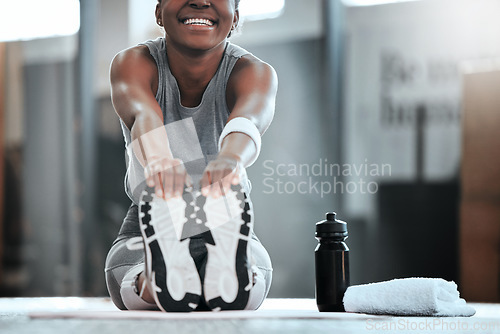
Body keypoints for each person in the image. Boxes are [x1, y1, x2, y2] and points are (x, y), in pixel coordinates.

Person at [104, 0, 278, 312]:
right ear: (158, 12)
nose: (200, 1)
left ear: (235, 18)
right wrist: (158, 160)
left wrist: (231, 159)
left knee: (125, 280)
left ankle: (157, 281)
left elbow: (249, 119)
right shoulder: (133, 63)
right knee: (121, 273)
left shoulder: (253, 72)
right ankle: (161, 274)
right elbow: (143, 113)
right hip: (155, 216)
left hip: (226, 211)